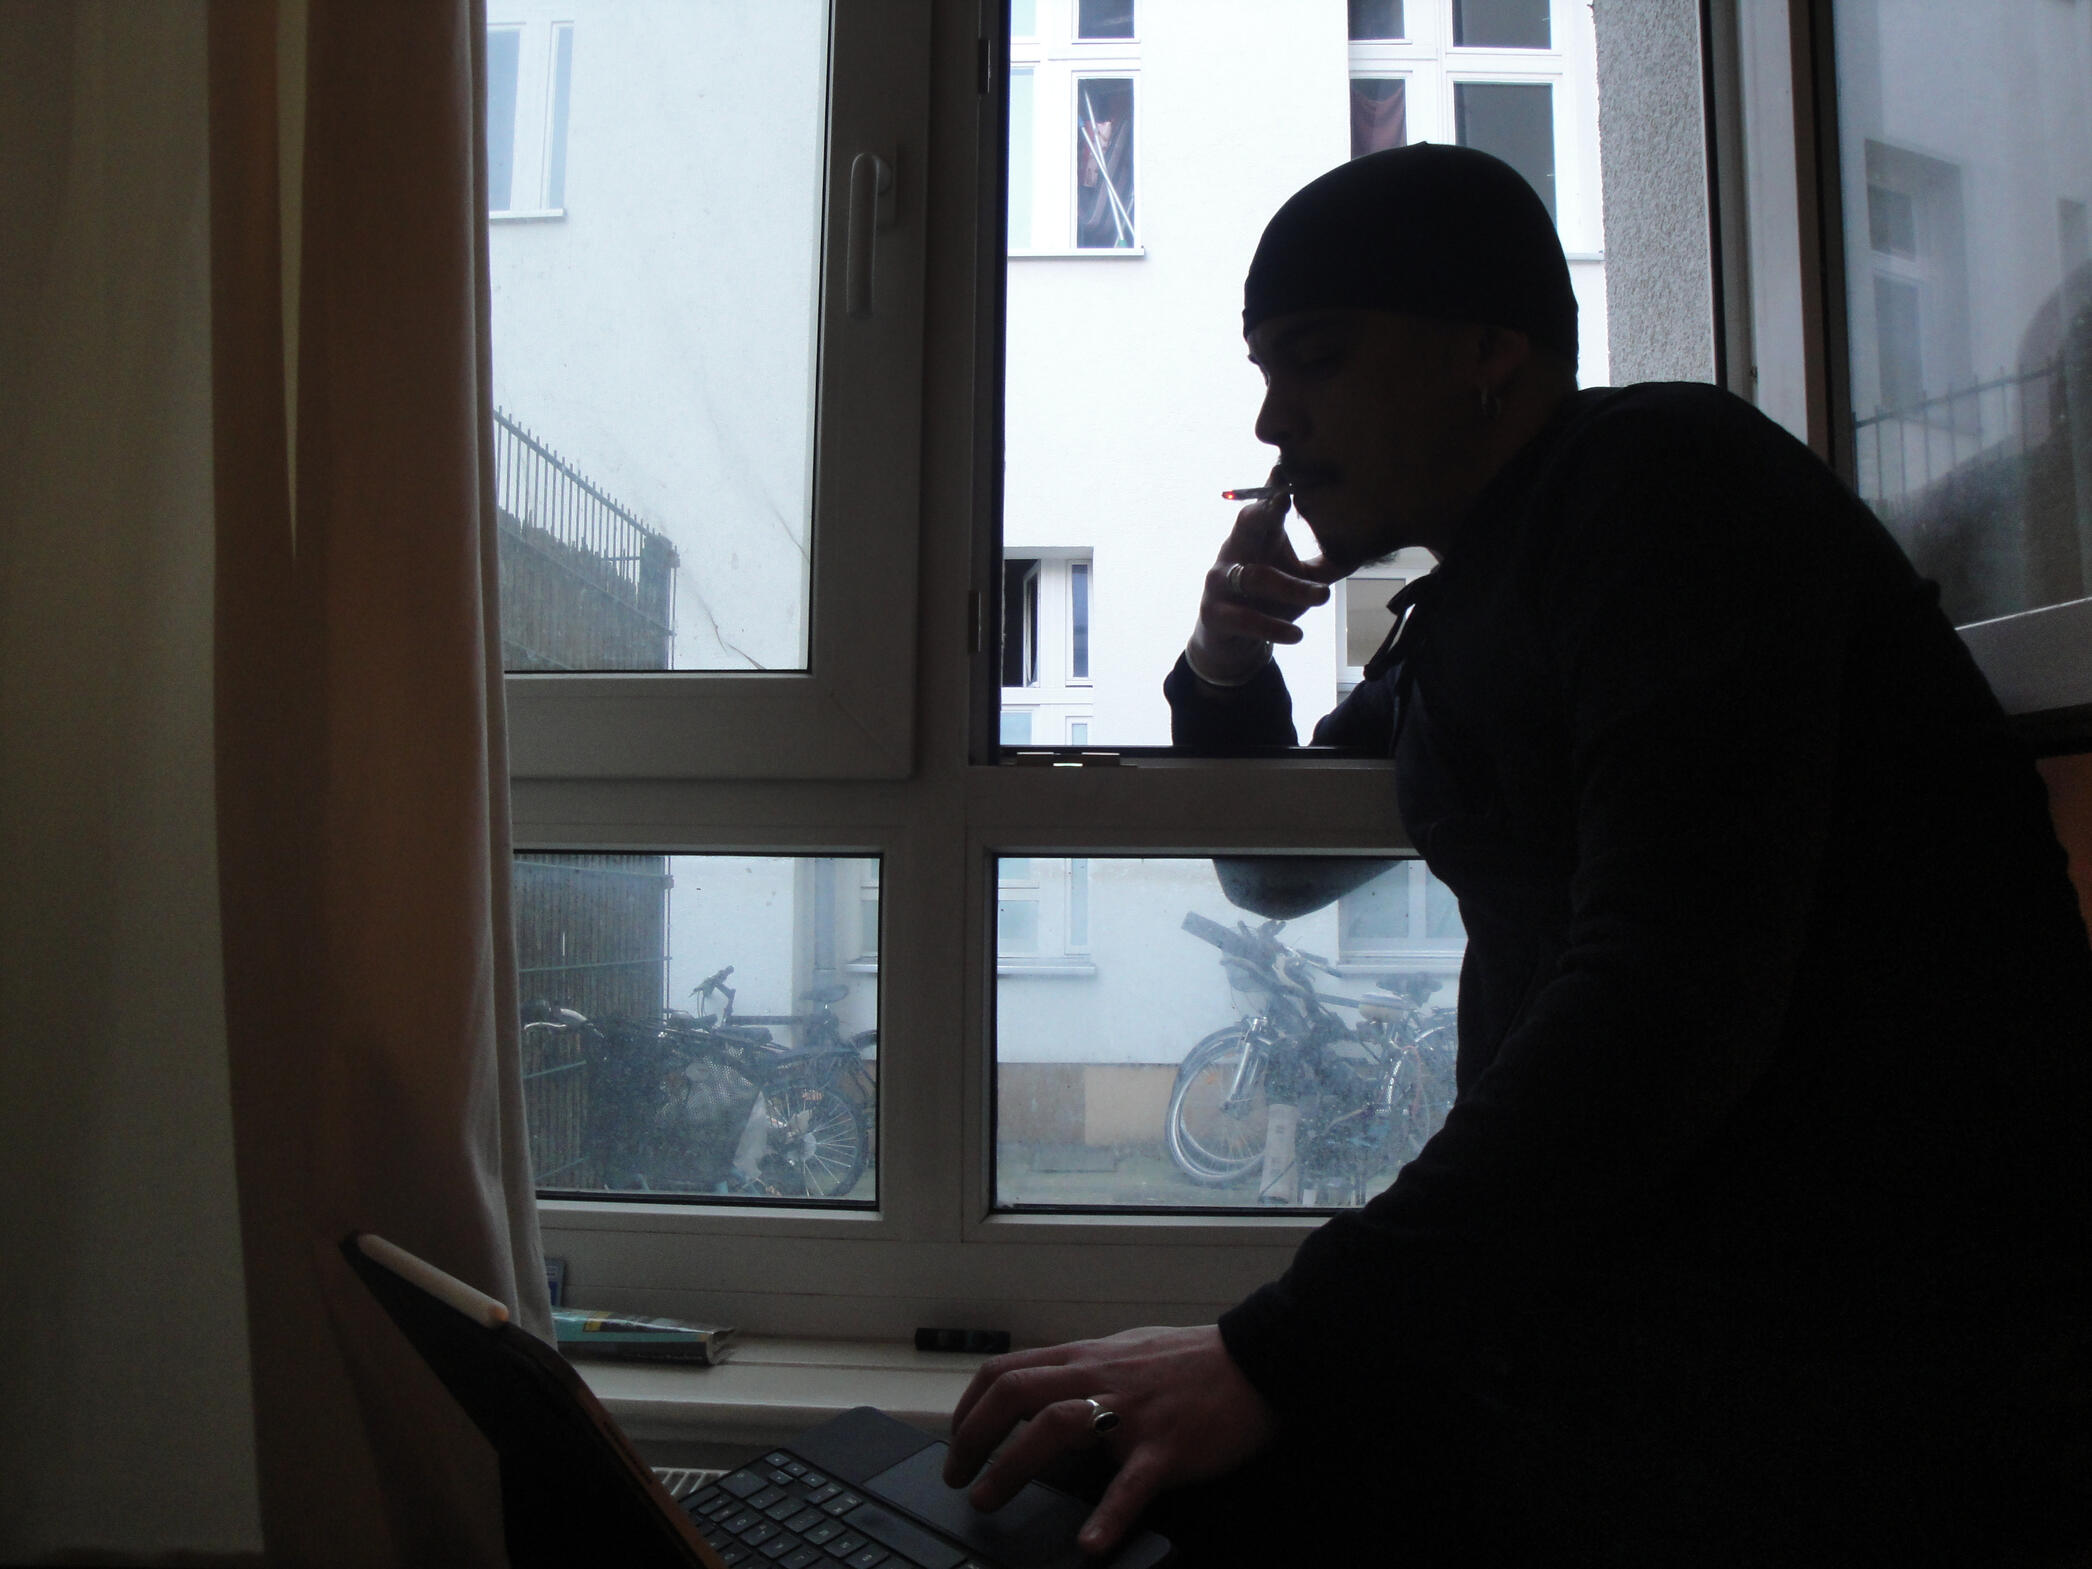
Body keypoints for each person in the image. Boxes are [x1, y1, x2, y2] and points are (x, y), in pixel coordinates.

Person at [943, 145, 2092, 1564]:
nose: (1274, 420)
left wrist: (1281, 1346)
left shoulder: (1663, 487)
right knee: (1086, 1501)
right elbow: (1276, 876)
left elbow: (1667, 995)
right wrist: (1223, 666)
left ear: (1488, 354)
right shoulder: (1470, 597)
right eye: (1264, 370)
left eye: (1316, 357)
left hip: (1860, 1370)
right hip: (1643, 1330)